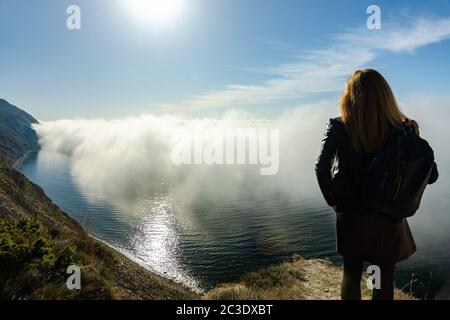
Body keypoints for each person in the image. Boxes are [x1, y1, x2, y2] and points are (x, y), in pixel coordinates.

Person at [315, 69, 439, 300]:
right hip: (387, 215)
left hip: (350, 213)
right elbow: (431, 176)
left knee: (351, 273)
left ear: (349, 96)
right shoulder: (402, 130)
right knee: (381, 279)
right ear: (385, 95)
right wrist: (414, 139)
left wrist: (332, 201)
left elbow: (321, 168)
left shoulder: (338, 127)